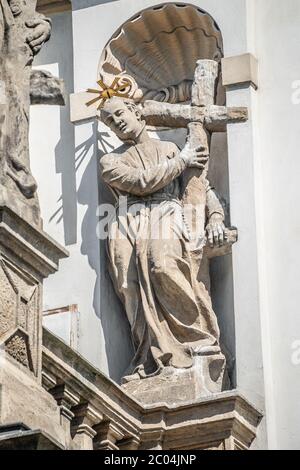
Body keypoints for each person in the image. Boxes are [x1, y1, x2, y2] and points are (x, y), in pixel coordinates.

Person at [100, 96, 227, 381]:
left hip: (166, 210)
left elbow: (201, 187)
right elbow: (139, 183)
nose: (117, 121)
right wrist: (182, 161)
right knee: (127, 284)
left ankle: (196, 341)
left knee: (163, 265)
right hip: (126, 221)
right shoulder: (110, 160)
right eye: (109, 120)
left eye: (119, 113)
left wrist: (216, 215)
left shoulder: (169, 148)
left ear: (135, 111)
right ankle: (148, 357)